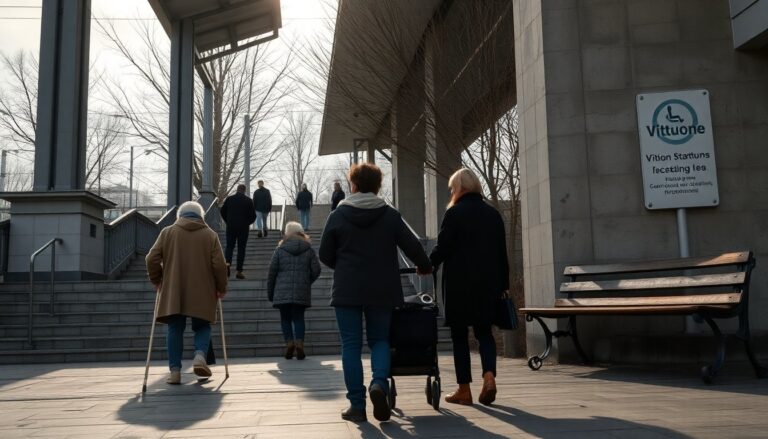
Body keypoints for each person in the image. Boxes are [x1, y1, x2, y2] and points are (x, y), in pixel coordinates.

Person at [319, 163, 432, 423]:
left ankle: (357, 407)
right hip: (383, 288)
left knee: (350, 345)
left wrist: (345, 267)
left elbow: (325, 254)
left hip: (347, 289)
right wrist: (424, 266)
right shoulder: (390, 215)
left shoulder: (338, 215)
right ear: (378, 186)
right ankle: (378, 384)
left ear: (353, 185)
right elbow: (412, 246)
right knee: (380, 340)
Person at [429, 168, 509, 406]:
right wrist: (504, 284)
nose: (451, 192)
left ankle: (464, 389)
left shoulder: (454, 213)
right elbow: (501, 254)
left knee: (459, 336)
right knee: (484, 332)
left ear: (461, 188)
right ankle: (489, 377)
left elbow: (442, 247)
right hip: (488, 284)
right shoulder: (493, 214)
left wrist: (426, 264)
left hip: (459, 285)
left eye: (453, 188)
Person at [146, 201, 228, 385]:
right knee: (202, 326)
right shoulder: (210, 235)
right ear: (201, 217)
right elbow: (220, 266)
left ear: (179, 216)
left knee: (175, 328)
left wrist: (156, 279)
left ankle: (175, 372)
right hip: (203, 289)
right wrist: (221, 288)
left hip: (174, 288)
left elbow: (151, 258)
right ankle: (200, 355)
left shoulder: (167, 232)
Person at [267, 221, 321, 360]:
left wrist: (270, 292)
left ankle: (289, 343)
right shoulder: (308, 249)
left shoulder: (280, 249)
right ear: (300, 232)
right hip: (301, 291)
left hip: (282, 291)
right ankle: (300, 344)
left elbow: (272, 272)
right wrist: (306, 282)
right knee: (298, 318)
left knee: (285, 319)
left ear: (287, 233)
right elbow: (317, 270)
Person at [220, 184, 256, 279]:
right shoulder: (248, 201)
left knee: (229, 246)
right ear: (244, 190)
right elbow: (253, 216)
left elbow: (222, 211)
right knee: (241, 249)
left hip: (231, 227)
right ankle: (239, 271)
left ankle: (227, 264)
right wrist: (247, 222)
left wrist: (228, 221)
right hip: (243, 228)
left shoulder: (229, 199)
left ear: (237, 190)